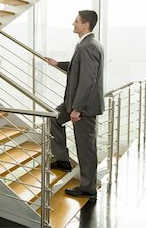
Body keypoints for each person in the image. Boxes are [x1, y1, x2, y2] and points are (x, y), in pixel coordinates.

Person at [45, 10, 104, 200]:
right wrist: (58, 64)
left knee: (86, 147)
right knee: (53, 118)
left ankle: (88, 188)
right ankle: (62, 160)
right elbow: (78, 66)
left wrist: (77, 109)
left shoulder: (88, 46)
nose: (73, 23)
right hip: (71, 102)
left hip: (83, 106)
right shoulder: (86, 44)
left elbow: (88, 80)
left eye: (76, 21)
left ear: (85, 25)